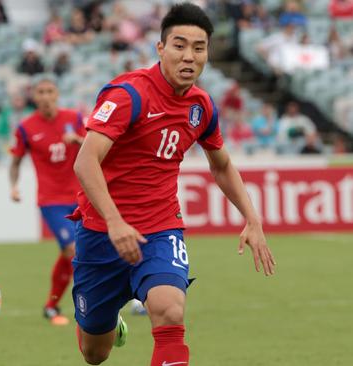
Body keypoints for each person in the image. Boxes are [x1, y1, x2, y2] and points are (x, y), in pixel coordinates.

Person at [68, 4, 276, 365]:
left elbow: (222, 164)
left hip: (161, 230)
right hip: (102, 234)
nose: (189, 56)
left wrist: (251, 218)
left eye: (199, 47)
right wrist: (116, 222)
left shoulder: (202, 107)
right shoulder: (128, 96)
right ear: (160, 48)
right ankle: (108, 322)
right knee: (94, 353)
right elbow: (85, 161)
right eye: (179, 45)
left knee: (170, 311)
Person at [9, 78, 85, 326]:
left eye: (49, 91)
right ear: (34, 96)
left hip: (82, 196)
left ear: (57, 94)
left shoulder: (74, 118)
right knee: (72, 250)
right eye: (40, 92)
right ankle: (83, 300)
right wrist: (14, 187)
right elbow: (16, 161)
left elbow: (96, 147)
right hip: (51, 201)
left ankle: (51, 305)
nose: (45, 96)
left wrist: (78, 140)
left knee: (88, 248)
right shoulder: (26, 127)